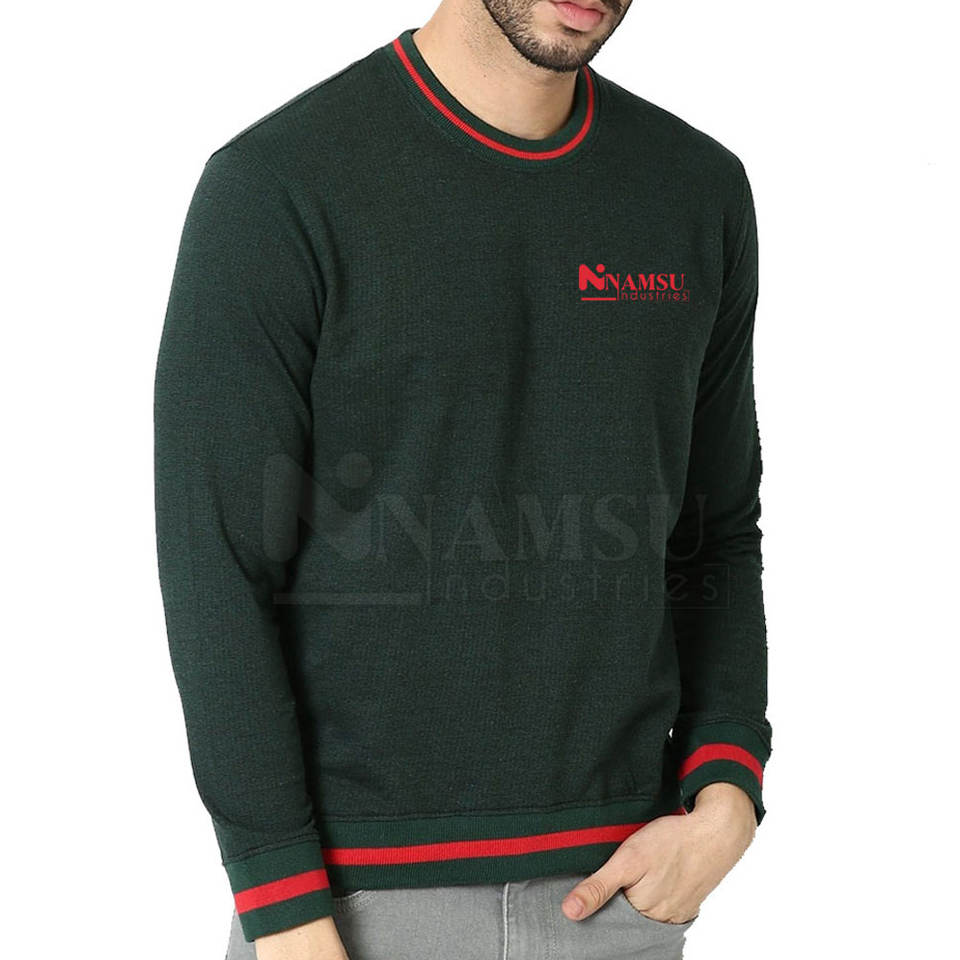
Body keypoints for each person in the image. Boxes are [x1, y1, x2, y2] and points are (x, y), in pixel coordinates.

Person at [153, 1, 773, 958]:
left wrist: (728, 788)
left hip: (620, 897)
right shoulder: (277, 186)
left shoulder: (696, 189)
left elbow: (716, 520)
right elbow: (216, 566)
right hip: (354, 907)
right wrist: (282, 906)